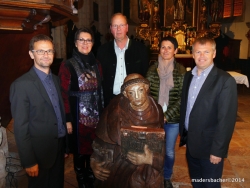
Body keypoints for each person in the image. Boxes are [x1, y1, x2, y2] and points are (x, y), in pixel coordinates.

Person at [9, 34, 68, 188]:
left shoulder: (56, 79)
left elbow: (59, 114)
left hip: (58, 148)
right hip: (38, 153)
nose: (46, 55)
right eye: (40, 51)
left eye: (49, 51)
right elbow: (21, 128)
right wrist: (28, 161)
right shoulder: (21, 85)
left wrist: (64, 146)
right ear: (31, 54)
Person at [179, 37, 237, 188]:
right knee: (197, 182)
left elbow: (226, 120)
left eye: (206, 52)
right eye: (198, 52)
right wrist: (185, 137)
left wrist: (218, 151)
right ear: (192, 54)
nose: (202, 56)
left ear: (214, 54)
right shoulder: (188, 76)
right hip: (192, 145)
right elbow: (186, 108)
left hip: (210, 148)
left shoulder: (225, 81)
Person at [90, 73, 165, 188]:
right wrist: (94, 161)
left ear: (146, 89)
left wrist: (150, 159)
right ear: (125, 94)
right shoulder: (115, 110)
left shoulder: (157, 112)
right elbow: (102, 141)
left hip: (146, 169)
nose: (137, 96)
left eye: (140, 90)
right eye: (131, 93)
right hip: (119, 166)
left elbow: (161, 145)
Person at [58, 27, 103, 188]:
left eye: (88, 40)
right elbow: (63, 94)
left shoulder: (97, 64)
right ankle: (82, 181)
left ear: (92, 43)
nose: (85, 43)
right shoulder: (67, 65)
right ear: (76, 43)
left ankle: (91, 177)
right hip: (78, 117)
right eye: (81, 40)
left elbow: (100, 90)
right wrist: (68, 120)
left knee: (93, 150)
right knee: (79, 152)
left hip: (96, 116)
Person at [146, 36, 186, 188]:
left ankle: (166, 177)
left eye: (170, 47)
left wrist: (167, 116)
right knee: (153, 150)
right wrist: (155, 113)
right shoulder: (152, 69)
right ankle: (154, 174)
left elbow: (182, 98)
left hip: (172, 119)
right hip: (154, 118)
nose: (166, 50)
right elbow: (147, 94)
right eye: (163, 47)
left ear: (175, 50)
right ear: (159, 49)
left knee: (168, 151)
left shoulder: (181, 71)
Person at [96, 13, 149, 107]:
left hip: (134, 101)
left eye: (121, 25)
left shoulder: (141, 49)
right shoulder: (102, 51)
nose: (118, 29)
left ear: (127, 28)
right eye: (115, 26)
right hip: (110, 102)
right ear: (111, 29)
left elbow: (145, 74)